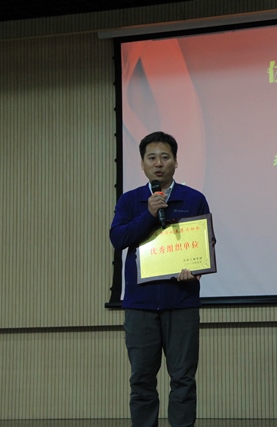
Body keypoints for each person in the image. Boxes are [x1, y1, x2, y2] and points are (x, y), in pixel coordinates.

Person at [110, 131, 212, 427]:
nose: (158, 163)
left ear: (175, 162)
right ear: (142, 163)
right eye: (151, 157)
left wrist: (196, 268)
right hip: (140, 304)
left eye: (165, 157)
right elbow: (118, 239)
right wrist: (149, 214)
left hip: (181, 301)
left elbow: (206, 243)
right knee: (142, 380)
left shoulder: (193, 198)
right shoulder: (131, 200)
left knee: (183, 379)